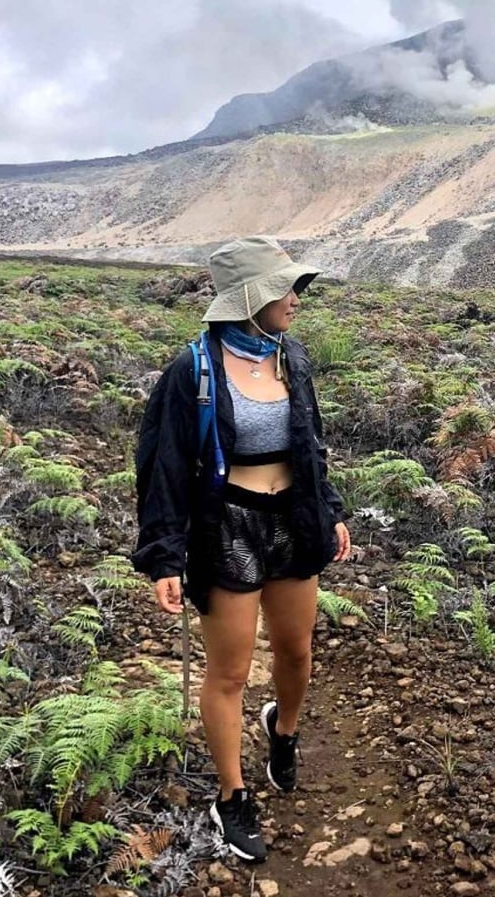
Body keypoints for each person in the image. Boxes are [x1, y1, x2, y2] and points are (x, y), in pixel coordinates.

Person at [132, 237, 351, 863]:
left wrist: (328, 509)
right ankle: (231, 796)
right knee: (228, 673)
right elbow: (164, 466)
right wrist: (165, 556)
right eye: (284, 289)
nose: (296, 300)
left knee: (297, 652)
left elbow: (309, 443)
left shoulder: (293, 358)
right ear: (250, 299)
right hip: (226, 527)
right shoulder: (193, 370)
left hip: (293, 521)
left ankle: (282, 730)